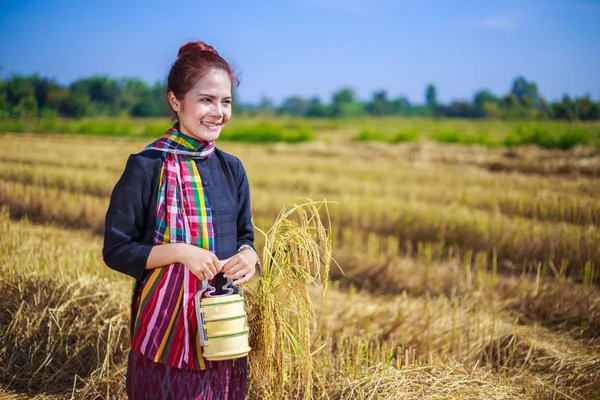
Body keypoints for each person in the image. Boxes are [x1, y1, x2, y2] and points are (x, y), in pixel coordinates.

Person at [102, 40, 259, 400]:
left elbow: (245, 236)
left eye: (226, 101)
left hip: (223, 332)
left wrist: (249, 256)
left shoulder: (231, 168)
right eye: (206, 99)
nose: (218, 112)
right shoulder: (146, 166)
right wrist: (179, 252)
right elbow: (117, 249)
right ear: (176, 100)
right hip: (165, 336)